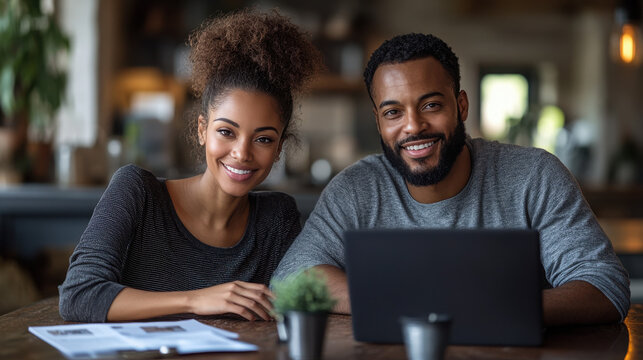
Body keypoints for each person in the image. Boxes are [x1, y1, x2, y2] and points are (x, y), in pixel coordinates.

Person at [272, 33, 630, 326]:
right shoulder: (355, 189)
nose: (413, 126)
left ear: (461, 106)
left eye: (431, 105)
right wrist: (415, 301)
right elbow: (291, 276)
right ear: (379, 122)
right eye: (393, 112)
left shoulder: (534, 176)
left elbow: (603, 286)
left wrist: (478, 309)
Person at [59, 9, 322, 323]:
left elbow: (302, 306)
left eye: (263, 139)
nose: (242, 153)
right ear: (202, 130)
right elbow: (78, 295)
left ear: (279, 149)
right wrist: (197, 300)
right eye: (226, 132)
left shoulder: (277, 221)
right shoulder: (137, 192)